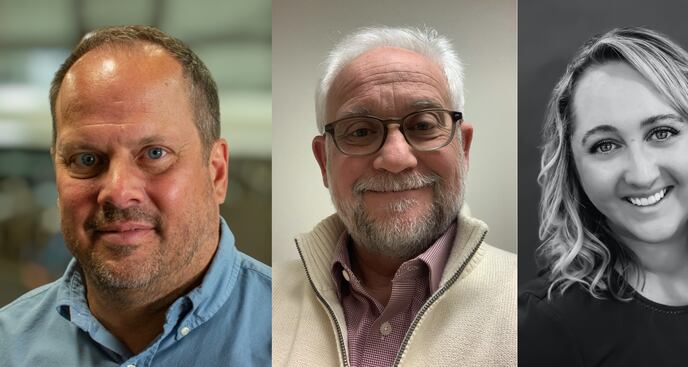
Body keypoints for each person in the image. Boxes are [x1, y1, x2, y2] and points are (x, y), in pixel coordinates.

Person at [519, 27, 688, 366]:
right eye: (605, 145)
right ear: (573, 167)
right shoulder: (546, 326)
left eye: (662, 132)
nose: (642, 174)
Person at [0, 25, 272, 366]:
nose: (117, 191)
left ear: (216, 172)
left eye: (155, 153)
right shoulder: (8, 346)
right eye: (86, 159)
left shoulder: (303, 341)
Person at [273, 26, 516, 366]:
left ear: (464, 148)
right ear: (323, 161)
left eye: (423, 126)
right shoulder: (266, 301)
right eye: (360, 131)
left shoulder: (528, 305)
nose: (395, 158)